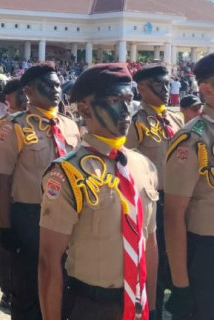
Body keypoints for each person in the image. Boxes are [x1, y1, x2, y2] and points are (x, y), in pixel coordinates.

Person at [39, 63, 159, 320]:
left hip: (138, 302)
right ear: (84, 108)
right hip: (92, 305)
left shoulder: (143, 166)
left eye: (130, 99)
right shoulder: (68, 174)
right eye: (115, 100)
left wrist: (152, 305)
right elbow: (49, 262)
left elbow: (149, 243)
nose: (126, 109)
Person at [0, 63, 79, 320]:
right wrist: (6, 227)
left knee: (64, 280)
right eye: (47, 86)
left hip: (68, 214)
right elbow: (0, 178)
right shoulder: (14, 126)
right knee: (29, 286)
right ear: (28, 91)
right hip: (30, 216)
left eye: (57, 85)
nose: (55, 90)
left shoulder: (69, 125)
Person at [126, 63, 183, 319]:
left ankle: (180, 304)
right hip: (155, 201)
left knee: (180, 255)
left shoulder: (176, 118)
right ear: (142, 89)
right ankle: (154, 309)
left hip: (180, 199)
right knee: (156, 263)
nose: (165, 88)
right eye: (158, 84)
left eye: (166, 82)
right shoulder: (135, 123)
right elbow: (128, 165)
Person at [165, 53, 214, 320]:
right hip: (206, 254)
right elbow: (173, 215)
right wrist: (181, 286)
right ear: (206, 89)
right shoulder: (193, 138)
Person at [0, 78, 27, 309]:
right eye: (16, 95)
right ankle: (7, 290)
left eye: (24, 92)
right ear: (7, 100)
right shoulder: (0, 126)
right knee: (7, 241)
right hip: (10, 192)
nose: (23, 98)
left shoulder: (38, 122)